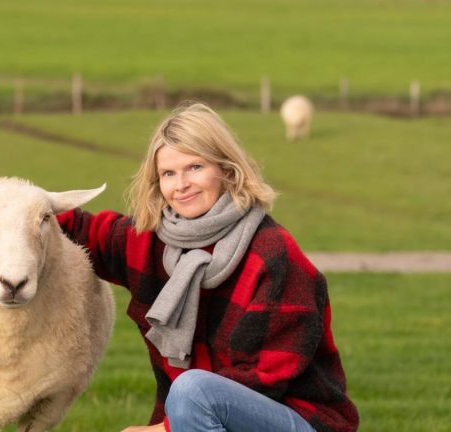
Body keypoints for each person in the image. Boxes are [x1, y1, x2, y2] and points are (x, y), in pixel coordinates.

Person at [57, 103, 359, 432]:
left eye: (195, 167)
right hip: (198, 417)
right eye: (168, 174)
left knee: (192, 390)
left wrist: (164, 429)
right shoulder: (150, 242)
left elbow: (264, 376)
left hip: (298, 419)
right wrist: (6, 207)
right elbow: (70, 227)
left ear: (226, 169)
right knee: (192, 393)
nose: (181, 184)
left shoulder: (273, 254)